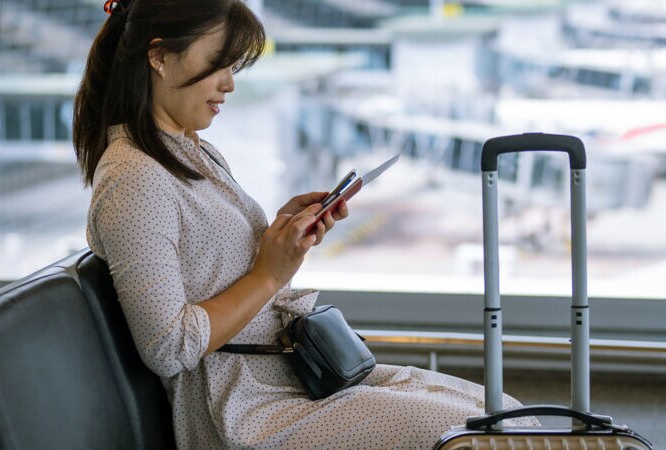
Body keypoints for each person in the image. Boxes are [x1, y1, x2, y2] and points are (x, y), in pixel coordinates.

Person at [74, 0, 539, 448]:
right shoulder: (134, 178)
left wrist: (280, 234)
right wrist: (269, 274)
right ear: (158, 56)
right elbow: (167, 345)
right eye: (219, 64)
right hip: (244, 409)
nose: (230, 84)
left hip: (287, 379)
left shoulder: (188, 150)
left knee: (498, 411)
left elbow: (209, 262)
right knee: (471, 432)